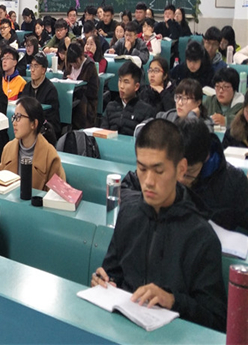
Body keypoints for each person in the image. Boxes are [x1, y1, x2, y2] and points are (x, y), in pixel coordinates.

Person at [92, 119, 227, 333]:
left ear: (181, 170)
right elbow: (112, 272)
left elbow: (217, 320)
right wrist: (104, 281)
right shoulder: (128, 215)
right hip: (122, 332)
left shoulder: (201, 236)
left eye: (158, 171)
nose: (148, 181)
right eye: (142, 169)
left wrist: (172, 300)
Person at [178, 119, 248, 231]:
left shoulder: (234, 182)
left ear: (206, 157)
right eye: (176, 170)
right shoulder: (162, 174)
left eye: (189, 172)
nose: (180, 179)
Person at [0, 96, 65, 191]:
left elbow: (56, 195)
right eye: (14, 117)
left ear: (34, 123)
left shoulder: (50, 155)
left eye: (19, 117)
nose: (14, 123)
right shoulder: (8, 149)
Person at [101, 61, 156, 136]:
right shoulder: (110, 107)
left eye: (126, 82)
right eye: (120, 80)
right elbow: (103, 134)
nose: (121, 86)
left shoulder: (146, 111)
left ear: (136, 86)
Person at [19, 52, 61, 139]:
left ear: (43, 70)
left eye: (36, 66)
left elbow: (51, 119)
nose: (32, 70)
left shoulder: (50, 90)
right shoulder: (27, 87)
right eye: (31, 66)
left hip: (45, 130)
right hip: (28, 127)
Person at [64, 43, 98, 129]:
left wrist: (76, 84)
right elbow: (64, 79)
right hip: (70, 98)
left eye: (75, 63)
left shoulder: (89, 66)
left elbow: (93, 91)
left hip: (86, 102)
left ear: (81, 57)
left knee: (79, 104)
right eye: (72, 64)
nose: (74, 66)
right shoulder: (69, 65)